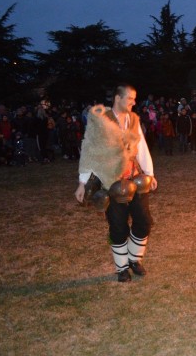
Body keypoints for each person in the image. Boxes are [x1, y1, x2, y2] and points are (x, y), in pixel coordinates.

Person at [74, 84, 157, 283]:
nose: (134, 102)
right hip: (110, 182)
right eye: (130, 99)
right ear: (118, 98)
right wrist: (82, 183)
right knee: (118, 228)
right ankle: (122, 268)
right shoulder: (100, 120)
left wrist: (150, 173)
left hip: (135, 179)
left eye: (134, 99)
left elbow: (142, 146)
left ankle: (134, 259)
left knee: (144, 222)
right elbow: (89, 151)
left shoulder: (134, 119)